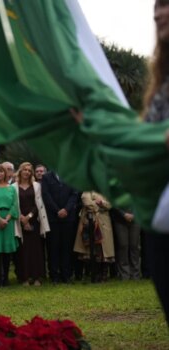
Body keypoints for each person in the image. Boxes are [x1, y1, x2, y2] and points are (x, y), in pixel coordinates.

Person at [140, 0, 169, 323]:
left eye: (165, 5)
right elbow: (145, 138)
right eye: (156, 6)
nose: (157, 13)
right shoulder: (162, 79)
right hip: (162, 217)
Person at [12, 162, 50, 286]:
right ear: (20, 171)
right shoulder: (13, 186)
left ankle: (37, 277)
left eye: (29, 170)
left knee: (36, 249)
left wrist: (28, 217)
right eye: (25, 170)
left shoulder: (36, 186)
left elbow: (38, 204)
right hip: (19, 221)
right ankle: (25, 277)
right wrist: (22, 218)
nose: (27, 172)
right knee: (23, 250)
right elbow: (13, 204)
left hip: (34, 220)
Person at [41, 171, 79, 284]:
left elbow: (75, 194)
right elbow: (46, 195)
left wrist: (66, 209)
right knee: (53, 247)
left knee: (67, 247)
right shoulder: (46, 177)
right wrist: (57, 210)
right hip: (53, 218)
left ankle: (66, 275)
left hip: (68, 217)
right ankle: (54, 276)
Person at [73, 191, 115, 282]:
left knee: (105, 250)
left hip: (105, 223)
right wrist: (100, 207)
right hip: (90, 222)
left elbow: (110, 204)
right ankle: (95, 274)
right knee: (92, 249)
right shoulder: (87, 190)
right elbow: (87, 202)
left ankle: (104, 275)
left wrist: (101, 202)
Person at [0, 164, 19, 287]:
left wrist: (7, 219)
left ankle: (5, 278)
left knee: (7, 251)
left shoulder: (11, 188)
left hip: (8, 221)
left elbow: (15, 204)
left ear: (5, 173)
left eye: (1, 171)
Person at [111, 208, 140, 280]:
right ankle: (124, 274)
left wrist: (134, 214)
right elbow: (114, 201)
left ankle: (135, 275)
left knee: (134, 246)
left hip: (136, 219)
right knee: (123, 246)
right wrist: (124, 214)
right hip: (120, 220)